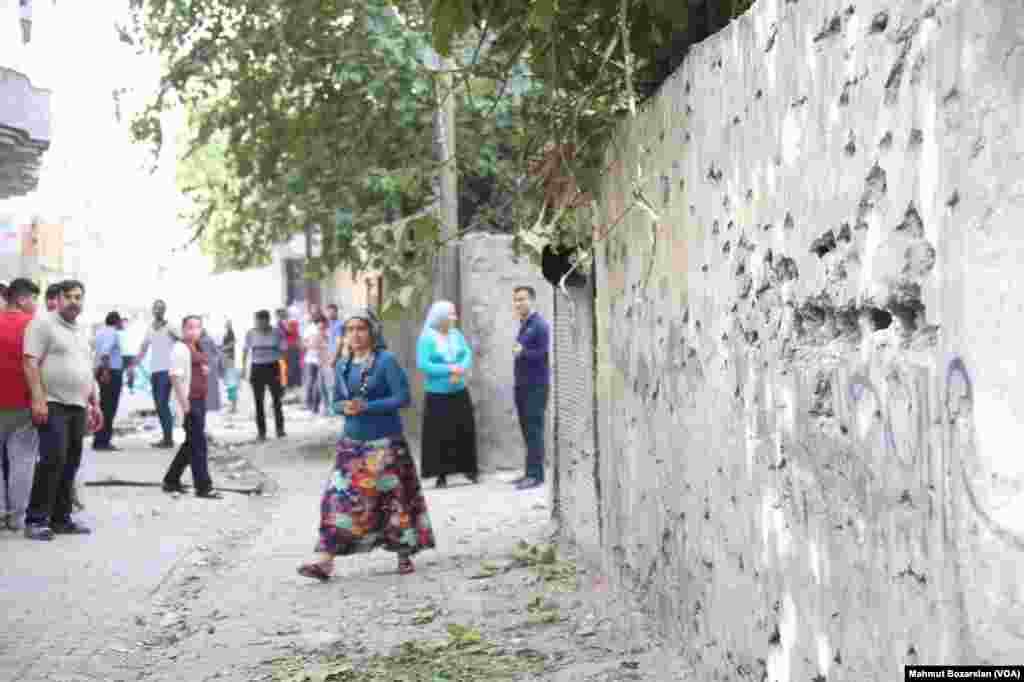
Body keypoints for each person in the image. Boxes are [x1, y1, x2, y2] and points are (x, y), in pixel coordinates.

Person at [297, 309, 434, 581]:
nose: (355, 335)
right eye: (350, 329)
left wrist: (368, 406)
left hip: (385, 444)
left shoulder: (386, 362)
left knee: (393, 500)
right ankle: (325, 562)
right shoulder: (343, 364)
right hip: (352, 445)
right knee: (337, 500)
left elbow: (403, 397)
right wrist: (344, 407)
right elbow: (335, 401)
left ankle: (404, 554)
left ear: (372, 332)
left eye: (361, 328)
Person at [24, 280, 103, 540]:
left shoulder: (81, 331)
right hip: (53, 403)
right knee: (52, 460)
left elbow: (86, 370)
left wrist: (95, 403)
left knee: (71, 462)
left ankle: (61, 518)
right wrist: (38, 398)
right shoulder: (43, 324)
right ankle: (36, 520)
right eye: (68, 296)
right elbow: (30, 362)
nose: (74, 302)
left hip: (78, 406)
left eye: (78, 297)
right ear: (57, 299)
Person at [417, 300, 479, 489]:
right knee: (440, 434)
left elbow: (467, 353)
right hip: (437, 394)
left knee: (464, 430)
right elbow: (424, 364)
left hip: (459, 390)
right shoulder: (427, 338)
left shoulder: (456, 334)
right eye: (450, 314)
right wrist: (449, 369)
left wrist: (461, 367)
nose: (454, 318)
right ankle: (440, 474)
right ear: (440, 317)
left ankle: (468, 470)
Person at [162, 316, 222, 499]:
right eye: (189, 327)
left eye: (197, 327)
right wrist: (185, 405)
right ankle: (203, 486)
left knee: (191, 443)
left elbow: (200, 366)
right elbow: (174, 377)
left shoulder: (198, 346)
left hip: (199, 400)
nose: (193, 331)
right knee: (199, 444)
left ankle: (171, 479)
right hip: (189, 402)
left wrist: (205, 370)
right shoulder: (180, 348)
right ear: (183, 329)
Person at [0, 278, 42, 532]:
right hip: (25, 403)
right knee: (22, 460)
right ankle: (17, 517)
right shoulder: (33, 326)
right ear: (22, 298)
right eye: (34, 299)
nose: (36, 305)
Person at [511, 285, 550, 491]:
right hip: (523, 386)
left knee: (534, 431)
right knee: (527, 430)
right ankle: (529, 472)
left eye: (522, 299)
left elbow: (542, 354)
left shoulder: (539, 325)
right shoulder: (525, 324)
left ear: (532, 300)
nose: (518, 303)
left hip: (536, 386)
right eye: (516, 299)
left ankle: (536, 476)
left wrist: (522, 352)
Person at [137, 299, 179, 448]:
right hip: (154, 371)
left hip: (166, 371)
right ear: (152, 310)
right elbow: (143, 347)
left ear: (164, 310)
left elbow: (182, 342)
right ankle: (166, 438)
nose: (158, 311)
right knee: (159, 405)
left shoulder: (171, 327)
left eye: (161, 308)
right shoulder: (150, 328)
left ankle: (168, 439)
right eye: (156, 308)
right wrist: (133, 364)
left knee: (162, 404)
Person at [242, 310, 287, 440]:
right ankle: (261, 432)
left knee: (276, 400)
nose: (259, 324)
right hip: (257, 368)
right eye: (257, 321)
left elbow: (283, 351)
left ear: (268, 320)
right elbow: (245, 351)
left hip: (273, 367)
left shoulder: (277, 333)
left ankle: (280, 429)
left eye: (262, 321)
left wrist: (283, 371)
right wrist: (244, 368)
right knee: (258, 402)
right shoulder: (250, 333)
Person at [92, 311, 125, 451]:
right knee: (109, 408)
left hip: (101, 371)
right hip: (110, 372)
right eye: (121, 321)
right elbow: (105, 353)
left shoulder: (99, 333)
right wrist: (106, 371)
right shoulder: (113, 333)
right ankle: (103, 441)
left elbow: (97, 354)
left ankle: (98, 439)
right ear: (117, 322)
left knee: (102, 406)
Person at [303, 314, 327, 414]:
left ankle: (315, 406)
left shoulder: (326, 333)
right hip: (311, 360)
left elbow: (326, 347)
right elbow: (305, 343)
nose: (321, 327)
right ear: (316, 324)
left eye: (323, 326)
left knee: (318, 384)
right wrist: (312, 345)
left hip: (321, 361)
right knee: (311, 382)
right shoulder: (312, 332)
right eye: (320, 326)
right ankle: (309, 404)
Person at [221, 320, 239, 413]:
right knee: (230, 384)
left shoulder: (230, 332)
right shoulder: (228, 332)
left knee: (231, 384)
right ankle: (232, 406)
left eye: (227, 323)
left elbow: (233, 343)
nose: (226, 325)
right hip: (228, 359)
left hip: (230, 360)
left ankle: (233, 407)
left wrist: (222, 348)